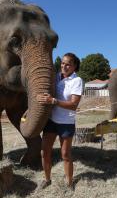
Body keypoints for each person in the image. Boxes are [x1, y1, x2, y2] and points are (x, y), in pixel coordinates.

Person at [36, 53, 83, 190]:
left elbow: (74, 104)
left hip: (66, 122)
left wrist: (54, 101)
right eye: (62, 63)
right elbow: (44, 90)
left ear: (74, 66)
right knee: (45, 152)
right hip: (51, 121)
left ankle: (69, 183)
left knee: (65, 155)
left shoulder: (77, 81)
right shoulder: (55, 77)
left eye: (68, 64)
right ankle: (47, 179)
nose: (64, 66)